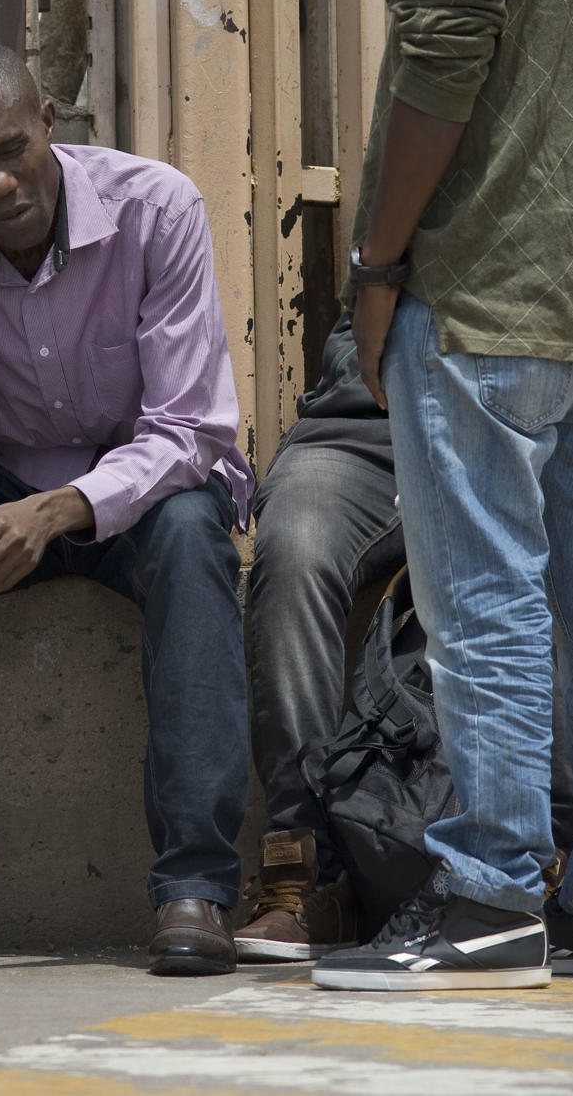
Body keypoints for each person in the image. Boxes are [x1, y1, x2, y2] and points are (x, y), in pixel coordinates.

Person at [311, 0, 573, 992]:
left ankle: (492, 896)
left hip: (478, 276)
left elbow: (442, 48)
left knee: (486, 602)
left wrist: (376, 262)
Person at [0, 38, 254, 977]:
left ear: (51, 128)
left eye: (13, 150)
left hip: (130, 475)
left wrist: (61, 509)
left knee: (194, 538)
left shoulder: (157, 209)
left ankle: (196, 888)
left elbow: (191, 428)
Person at [231, 315, 401, 962]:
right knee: (294, 541)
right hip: (367, 424)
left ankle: (545, 871)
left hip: (507, 412)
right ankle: (303, 875)